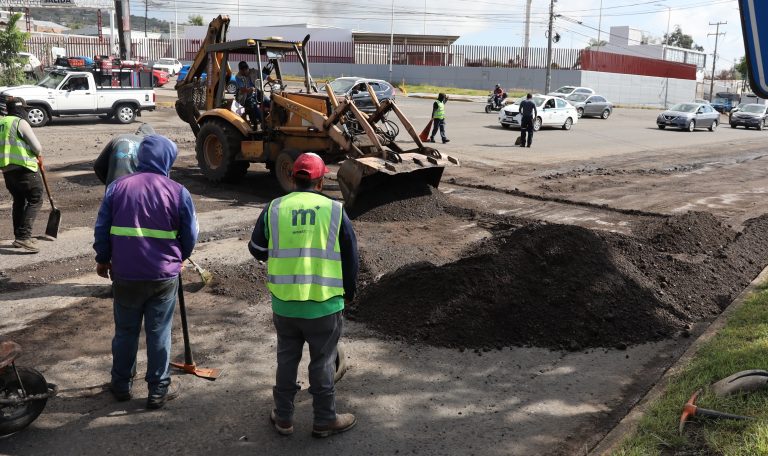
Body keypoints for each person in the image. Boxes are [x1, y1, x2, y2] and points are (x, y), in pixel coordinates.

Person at [248, 152, 359, 438]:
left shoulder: (274, 208)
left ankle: (284, 417)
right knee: (323, 362)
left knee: (287, 360)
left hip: (285, 304)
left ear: (293, 178)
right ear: (320, 182)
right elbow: (351, 256)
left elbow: (257, 249)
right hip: (324, 304)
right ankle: (324, 420)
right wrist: (349, 292)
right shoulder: (334, 210)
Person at [93, 134, 198, 410]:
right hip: (162, 275)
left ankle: (121, 384)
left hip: (125, 274)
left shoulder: (117, 188)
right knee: (159, 332)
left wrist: (103, 259)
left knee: (125, 332)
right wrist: (181, 257)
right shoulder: (178, 192)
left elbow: (102, 228)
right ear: (167, 159)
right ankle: (158, 390)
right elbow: (190, 235)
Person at [0, 98, 44, 253]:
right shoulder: (20, 122)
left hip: (7, 170)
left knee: (19, 201)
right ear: (19, 109)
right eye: (24, 109)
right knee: (35, 199)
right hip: (24, 168)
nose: (26, 111)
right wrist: (38, 154)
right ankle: (24, 237)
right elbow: (37, 147)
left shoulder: (2, 122)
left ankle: (19, 236)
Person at [235, 61, 264, 128]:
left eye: (246, 69)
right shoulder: (238, 77)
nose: (245, 71)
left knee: (268, 101)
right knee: (253, 105)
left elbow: (265, 76)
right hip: (245, 97)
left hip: (257, 93)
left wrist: (273, 80)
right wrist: (250, 89)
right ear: (240, 70)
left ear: (248, 68)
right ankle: (261, 122)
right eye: (243, 70)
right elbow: (243, 90)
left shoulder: (254, 72)